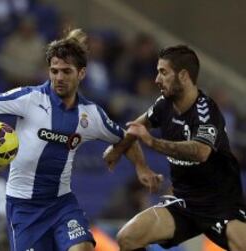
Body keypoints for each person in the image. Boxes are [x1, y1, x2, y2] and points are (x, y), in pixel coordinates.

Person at [0, 29, 162, 251]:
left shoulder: (91, 115)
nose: (58, 77)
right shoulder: (30, 99)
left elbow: (126, 138)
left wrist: (141, 167)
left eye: (65, 71)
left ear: (81, 74)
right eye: (53, 70)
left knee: (83, 249)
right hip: (24, 208)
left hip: (61, 204)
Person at [104, 45, 246, 251]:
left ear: (183, 76)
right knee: (128, 237)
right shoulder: (163, 105)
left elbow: (201, 151)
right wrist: (137, 165)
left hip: (221, 207)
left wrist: (152, 142)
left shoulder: (206, 110)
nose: (156, 79)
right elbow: (134, 129)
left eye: (163, 72)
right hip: (184, 204)